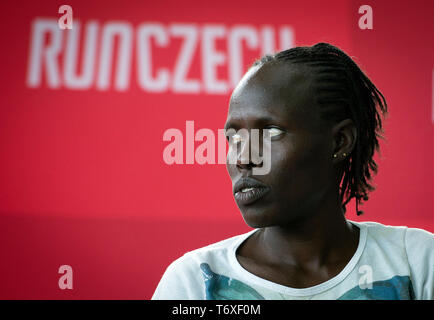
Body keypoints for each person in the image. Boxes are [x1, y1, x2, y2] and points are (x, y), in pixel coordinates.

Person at [152, 42, 434, 300]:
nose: (244, 158)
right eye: (234, 138)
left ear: (340, 141)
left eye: (271, 132)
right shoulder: (195, 283)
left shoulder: (416, 261)